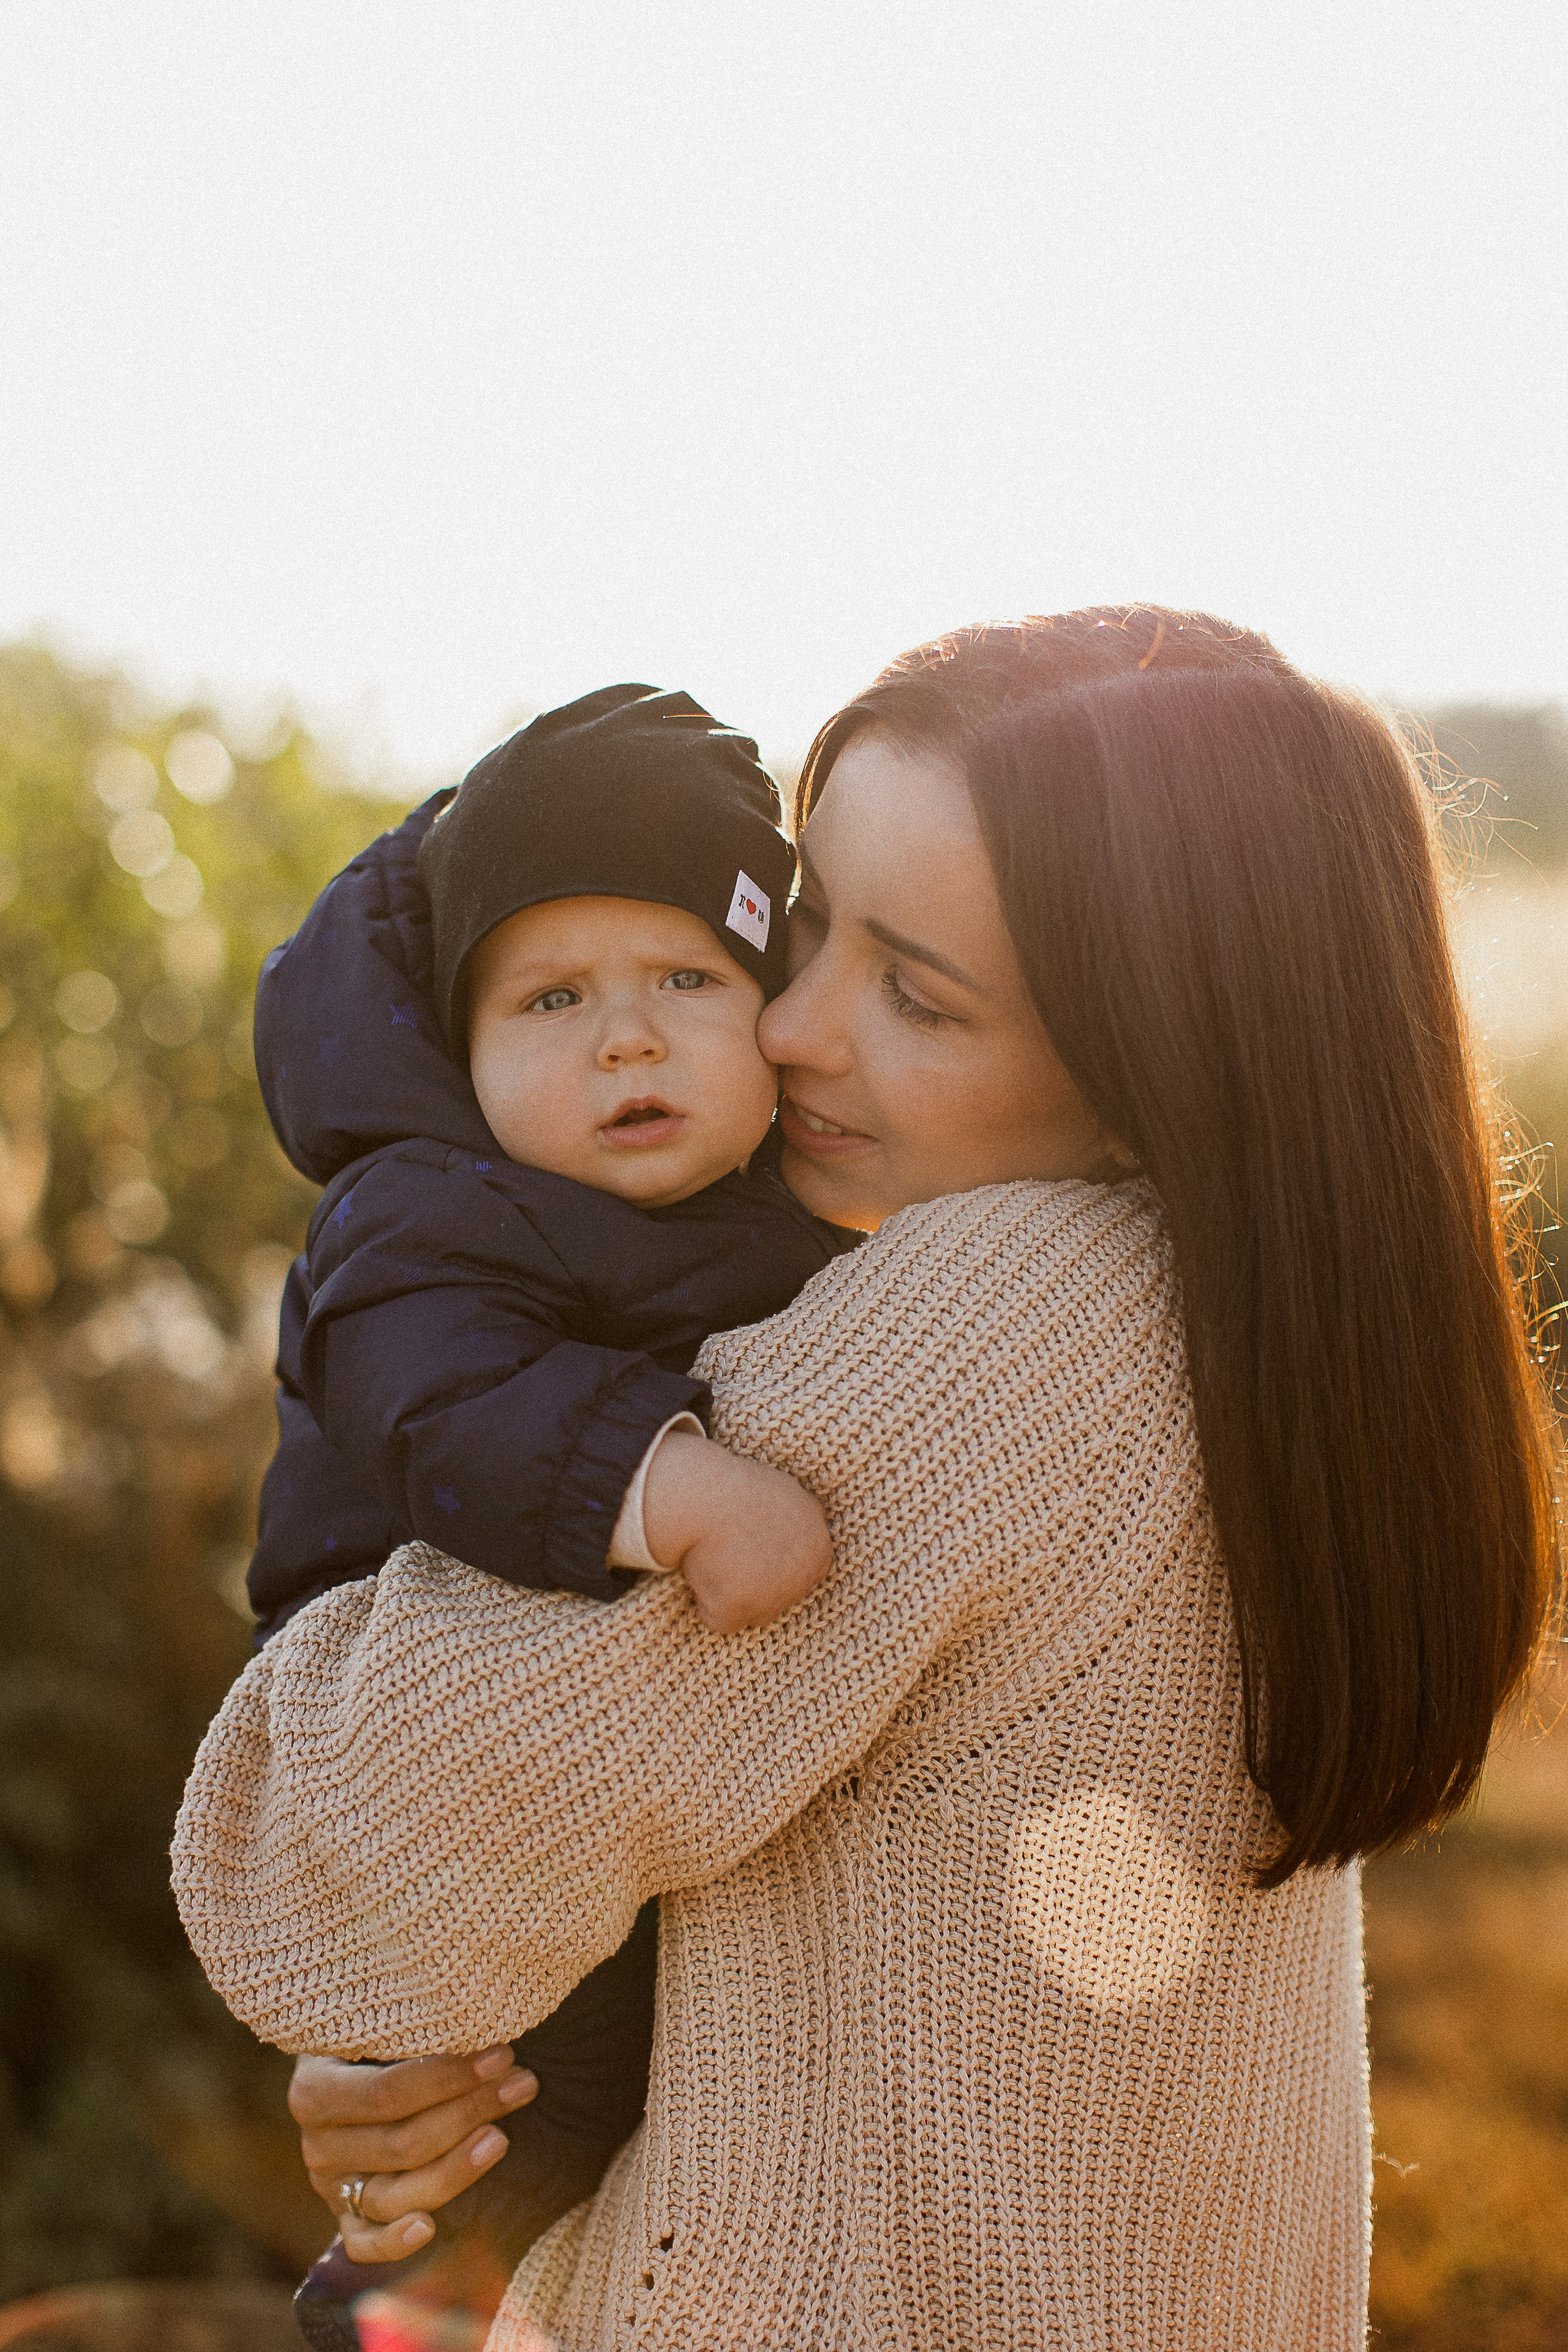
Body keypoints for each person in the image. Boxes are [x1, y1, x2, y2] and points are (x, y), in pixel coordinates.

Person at [175, 609, 1560, 2350]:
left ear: (1150, 1074)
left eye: (917, 995)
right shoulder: (1270, 1336)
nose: (791, 1028)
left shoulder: (998, 1329)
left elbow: (326, 1866)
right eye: (803, 923)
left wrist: (395, 2028)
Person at [241, 682, 855, 2347]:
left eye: (687, 979)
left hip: (606, 1799)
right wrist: (667, 1489)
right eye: (552, 997)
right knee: (517, 2116)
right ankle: (399, 2307)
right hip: (426, 1785)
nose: (627, 1039)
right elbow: (444, 1404)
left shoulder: (784, 1210)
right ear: (462, 1049)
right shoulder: (424, 1214)